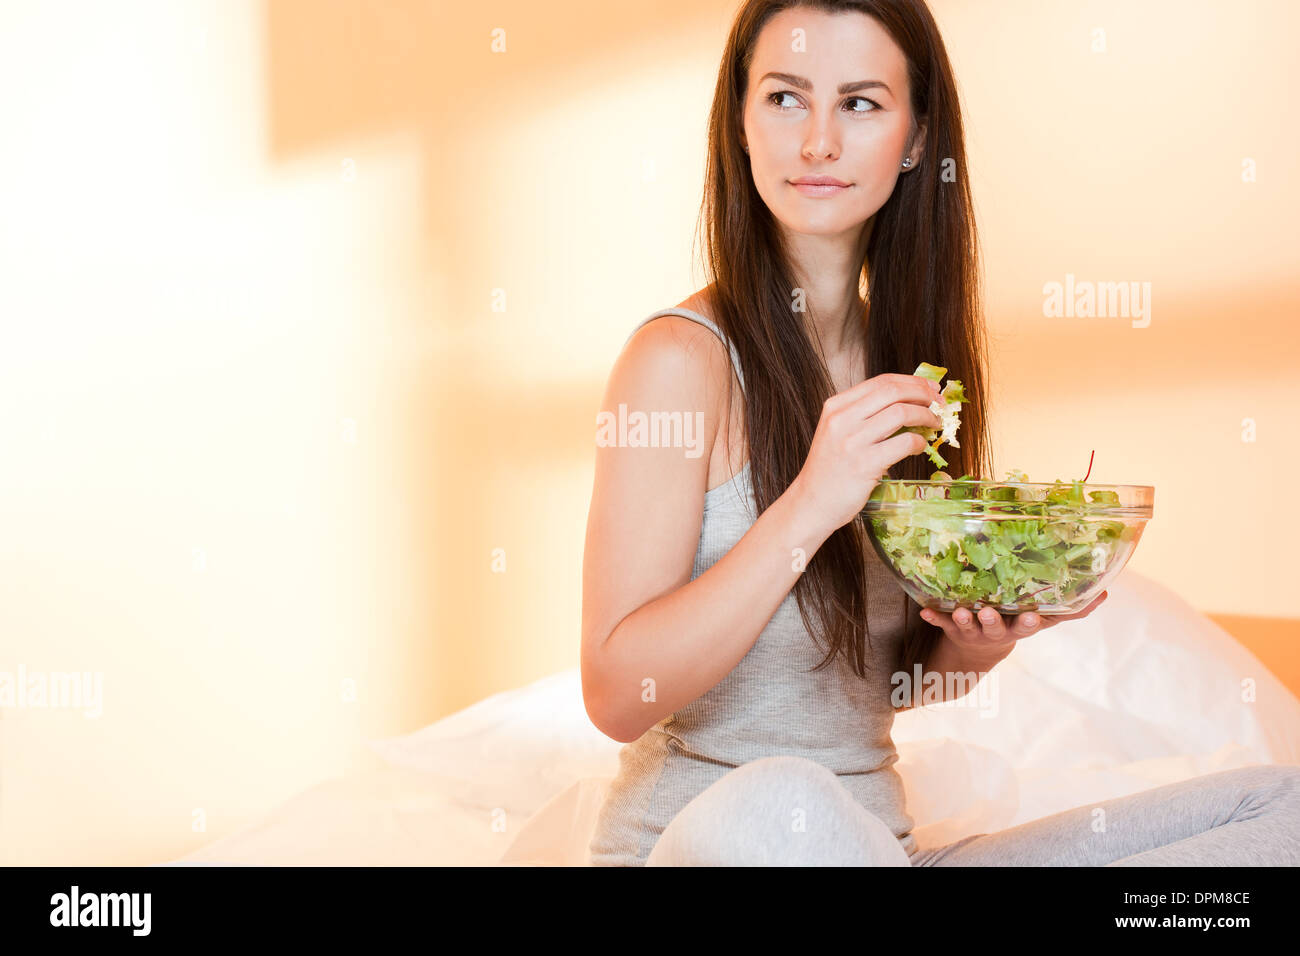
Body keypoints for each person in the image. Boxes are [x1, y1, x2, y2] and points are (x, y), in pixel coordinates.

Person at [580, 0, 1300, 866]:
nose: (816, 142)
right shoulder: (680, 361)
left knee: (1280, 808)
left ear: (916, 138)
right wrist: (810, 504)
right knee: (782, 796)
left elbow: (883, 688)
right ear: (739, 123)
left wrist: (971, 640)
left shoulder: (912, 369)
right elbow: (618, 693)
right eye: (783, 98)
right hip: (718, 839)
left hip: (880, 851)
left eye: (859, 103)